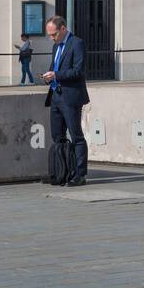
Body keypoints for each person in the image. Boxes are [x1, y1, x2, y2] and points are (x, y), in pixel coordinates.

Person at [42, 16, 88, 186]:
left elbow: (78, 71)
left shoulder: (76, 43)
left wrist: (56, 75)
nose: (51, 38)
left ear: (63, 29)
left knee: (76, 136)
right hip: (56, 95)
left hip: (71, 96)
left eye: (54, 34)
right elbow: (54, 67)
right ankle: (60, 172)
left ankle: (80, 174)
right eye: (49, 35)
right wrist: (48, 75)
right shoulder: (56, 46)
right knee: (57, 136)